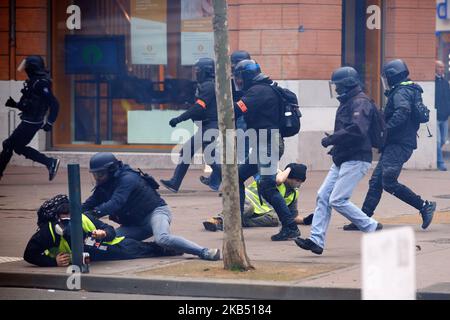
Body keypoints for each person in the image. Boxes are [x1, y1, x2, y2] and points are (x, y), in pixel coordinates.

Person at [295, 66, 382, 255]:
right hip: (344, 157)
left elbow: (358, 130)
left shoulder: (360, 102)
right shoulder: (350, 101)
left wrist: (332, 139)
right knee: (323, 196)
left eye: (337, 85)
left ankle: (372, 227)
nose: (335, 89)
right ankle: (316, 241)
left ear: (347, 85)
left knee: (337, 199)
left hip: (357, 158)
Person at [344, 59, 436, 231]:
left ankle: (424, 206)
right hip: (398, 143)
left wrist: (384, 130)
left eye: (387, 77)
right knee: (376, 182)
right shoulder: (409, 89)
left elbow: (402, 112)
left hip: (399, 144)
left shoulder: (401, 92)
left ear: (393, 76)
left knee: (388, 182)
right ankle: (363, 220)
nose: (386, 81)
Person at [82, 152, 221, 261]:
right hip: (136, 225)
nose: (97, 178)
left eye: (100, 174)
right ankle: (164, 250)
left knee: (162, 238)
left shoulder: (127, 178)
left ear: (111, 169)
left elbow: (116, 202)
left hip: (156, 213)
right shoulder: (104, 185)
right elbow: (89, 203)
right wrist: (71, 212)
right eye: (95, 174)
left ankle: (204, 251)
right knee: (111, 240)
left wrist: (93, 214)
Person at [232, 59, 298, 241]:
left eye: (239, 77)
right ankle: (236, 220)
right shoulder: (266, 88)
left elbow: (235, 110)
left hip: (267, 143)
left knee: (267, 186)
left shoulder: (258, 91)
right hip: (264, 142)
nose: (238, 81)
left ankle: (290, 227)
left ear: (246, 76)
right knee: (237, 177)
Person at [23, 195, 180, 267]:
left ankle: (171, 248)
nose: (69, 221)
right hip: (90, 256)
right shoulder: (48, 232)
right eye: (64, 218)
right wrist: (53, 262)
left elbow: (110, 229)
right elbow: (29, 254)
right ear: (56, 217)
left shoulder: (84, 218)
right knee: (138, 249)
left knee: (139, 249)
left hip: (106, 246)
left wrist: (103, 233)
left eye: (71, 216)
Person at [160, 57, 222, 192]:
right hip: (207, 126)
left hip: (210, 126)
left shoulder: (209, 86)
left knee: (196, 153)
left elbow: (199, 108)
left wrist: (179, 119)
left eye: (198, 70)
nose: (196, 73)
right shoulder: (208, 85)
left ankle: (175, 183)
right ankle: (222, 178)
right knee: (206, 155)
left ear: (206, 71)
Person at [202, 163, 313, 231]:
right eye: (297, 180)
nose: (298, 184)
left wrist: (305, 220)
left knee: (274, 219)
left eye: (301, 182)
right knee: (248, 209)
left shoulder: (294, 193)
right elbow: (279, 180)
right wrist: (289, 169)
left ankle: (241, 222)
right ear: (288, 176)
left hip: (261, 211)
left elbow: (292, 216)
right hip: (247, 199)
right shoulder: (275, 174)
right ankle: (217, 220)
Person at [1, 56, 60, 182]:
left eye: (26, 66)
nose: (24, 69)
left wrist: (50, 122)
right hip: (29, 120)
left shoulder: (41, 83)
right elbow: (31, 104)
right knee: (18, 147)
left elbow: (54, 103)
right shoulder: (34, 81)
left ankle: (50, 162)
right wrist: (16, 104)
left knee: (8, 144)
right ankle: (50, 162)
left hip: (32, 122)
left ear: (32, 68)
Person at [199, 50, 252, 189]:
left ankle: (233, 185)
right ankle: (215, 181)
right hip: (235, 118)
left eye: (234, 63)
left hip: (243, 119)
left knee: (241, 153)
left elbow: (244, 99)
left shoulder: (246, 77)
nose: (232, 66)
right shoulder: (237, 76)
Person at [435, 60, 450, 171]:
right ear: (435, 68)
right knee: (438, 141)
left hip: (444, 118)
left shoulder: (445, 83)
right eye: (440, 67)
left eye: (443, 67)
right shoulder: (433, 82)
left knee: (444, 140)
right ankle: (440, 163)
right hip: (435, 117)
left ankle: (435, 154)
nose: (442, 69)